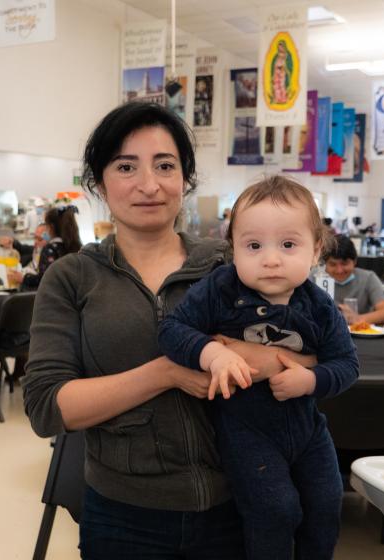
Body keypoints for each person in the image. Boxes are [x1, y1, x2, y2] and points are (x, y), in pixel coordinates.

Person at [24, 102, 307, 559]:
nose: (149, 184)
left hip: (241, 499)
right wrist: (167, 372)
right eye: (126, 166)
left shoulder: (231, 263)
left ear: (185, 179)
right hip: (122, 514)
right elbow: (49, 407)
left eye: (165, 165)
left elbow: (307, 348)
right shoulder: (72, 277)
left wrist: (238, 358)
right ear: (99, 182)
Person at [158, 176, 359, 560]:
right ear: (232, 248)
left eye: (288, 244)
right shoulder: (220, 289)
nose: (270, 259)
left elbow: (348, 365)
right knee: (276, 510)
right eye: (253, 245)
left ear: (316, 249)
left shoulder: (318, 306)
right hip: (245, 431)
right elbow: (170, 329)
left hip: (308, 430)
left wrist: (311, 380)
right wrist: (211, 354)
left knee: (326, 504)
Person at [323, 234, 384, 325]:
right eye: (333, 264)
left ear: (355, 261)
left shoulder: (368, 278)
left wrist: (356, 319)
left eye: (344, 264)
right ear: (325, 264)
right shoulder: (315, 279)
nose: (339, 270)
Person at [7, 206, 81, 290]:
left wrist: (24, 278)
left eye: (40, 239)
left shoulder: (50, 249)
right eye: (35, 238)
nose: (36, 242)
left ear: (51, 227)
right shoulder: (75, 247)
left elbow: (44, 280)